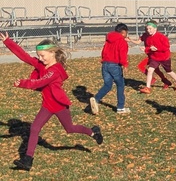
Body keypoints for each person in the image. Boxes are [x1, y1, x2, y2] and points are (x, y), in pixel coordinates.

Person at [0, 33, 102, 171]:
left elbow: (40, 82)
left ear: (53, 53)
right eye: (39, 56)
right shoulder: (42, 65)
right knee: (34, 129)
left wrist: (22, 83)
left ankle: (93, 132)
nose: (40, 59)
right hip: (47, 105)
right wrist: (8, 42)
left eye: (43, 55)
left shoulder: (55, 71)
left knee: (70, 129)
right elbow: (24, 56)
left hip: (59, 105)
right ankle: (27, 160)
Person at [89, 22, 134, 115]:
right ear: (123, 32)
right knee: (120, 84)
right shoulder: (122, 42)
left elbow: (104, 51)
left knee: (108, 85)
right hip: (115, 66)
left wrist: (103, 60)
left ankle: (96, 99)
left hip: (105, 65)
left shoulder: (108, 40)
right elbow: (122, 54)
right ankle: (120, 107)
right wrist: (125, 64)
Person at [139, 21, 176, 94]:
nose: (148, 30)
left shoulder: (161, 37)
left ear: (155, 29)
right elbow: (149, 47)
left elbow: (166, 47)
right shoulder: (147, 37)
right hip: (154, 58)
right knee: (150, 70)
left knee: (169, 71)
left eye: (150, 28)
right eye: (147, 29)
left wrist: (157, 48)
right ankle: (147, 88)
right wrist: (146, 49)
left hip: (164, 57)